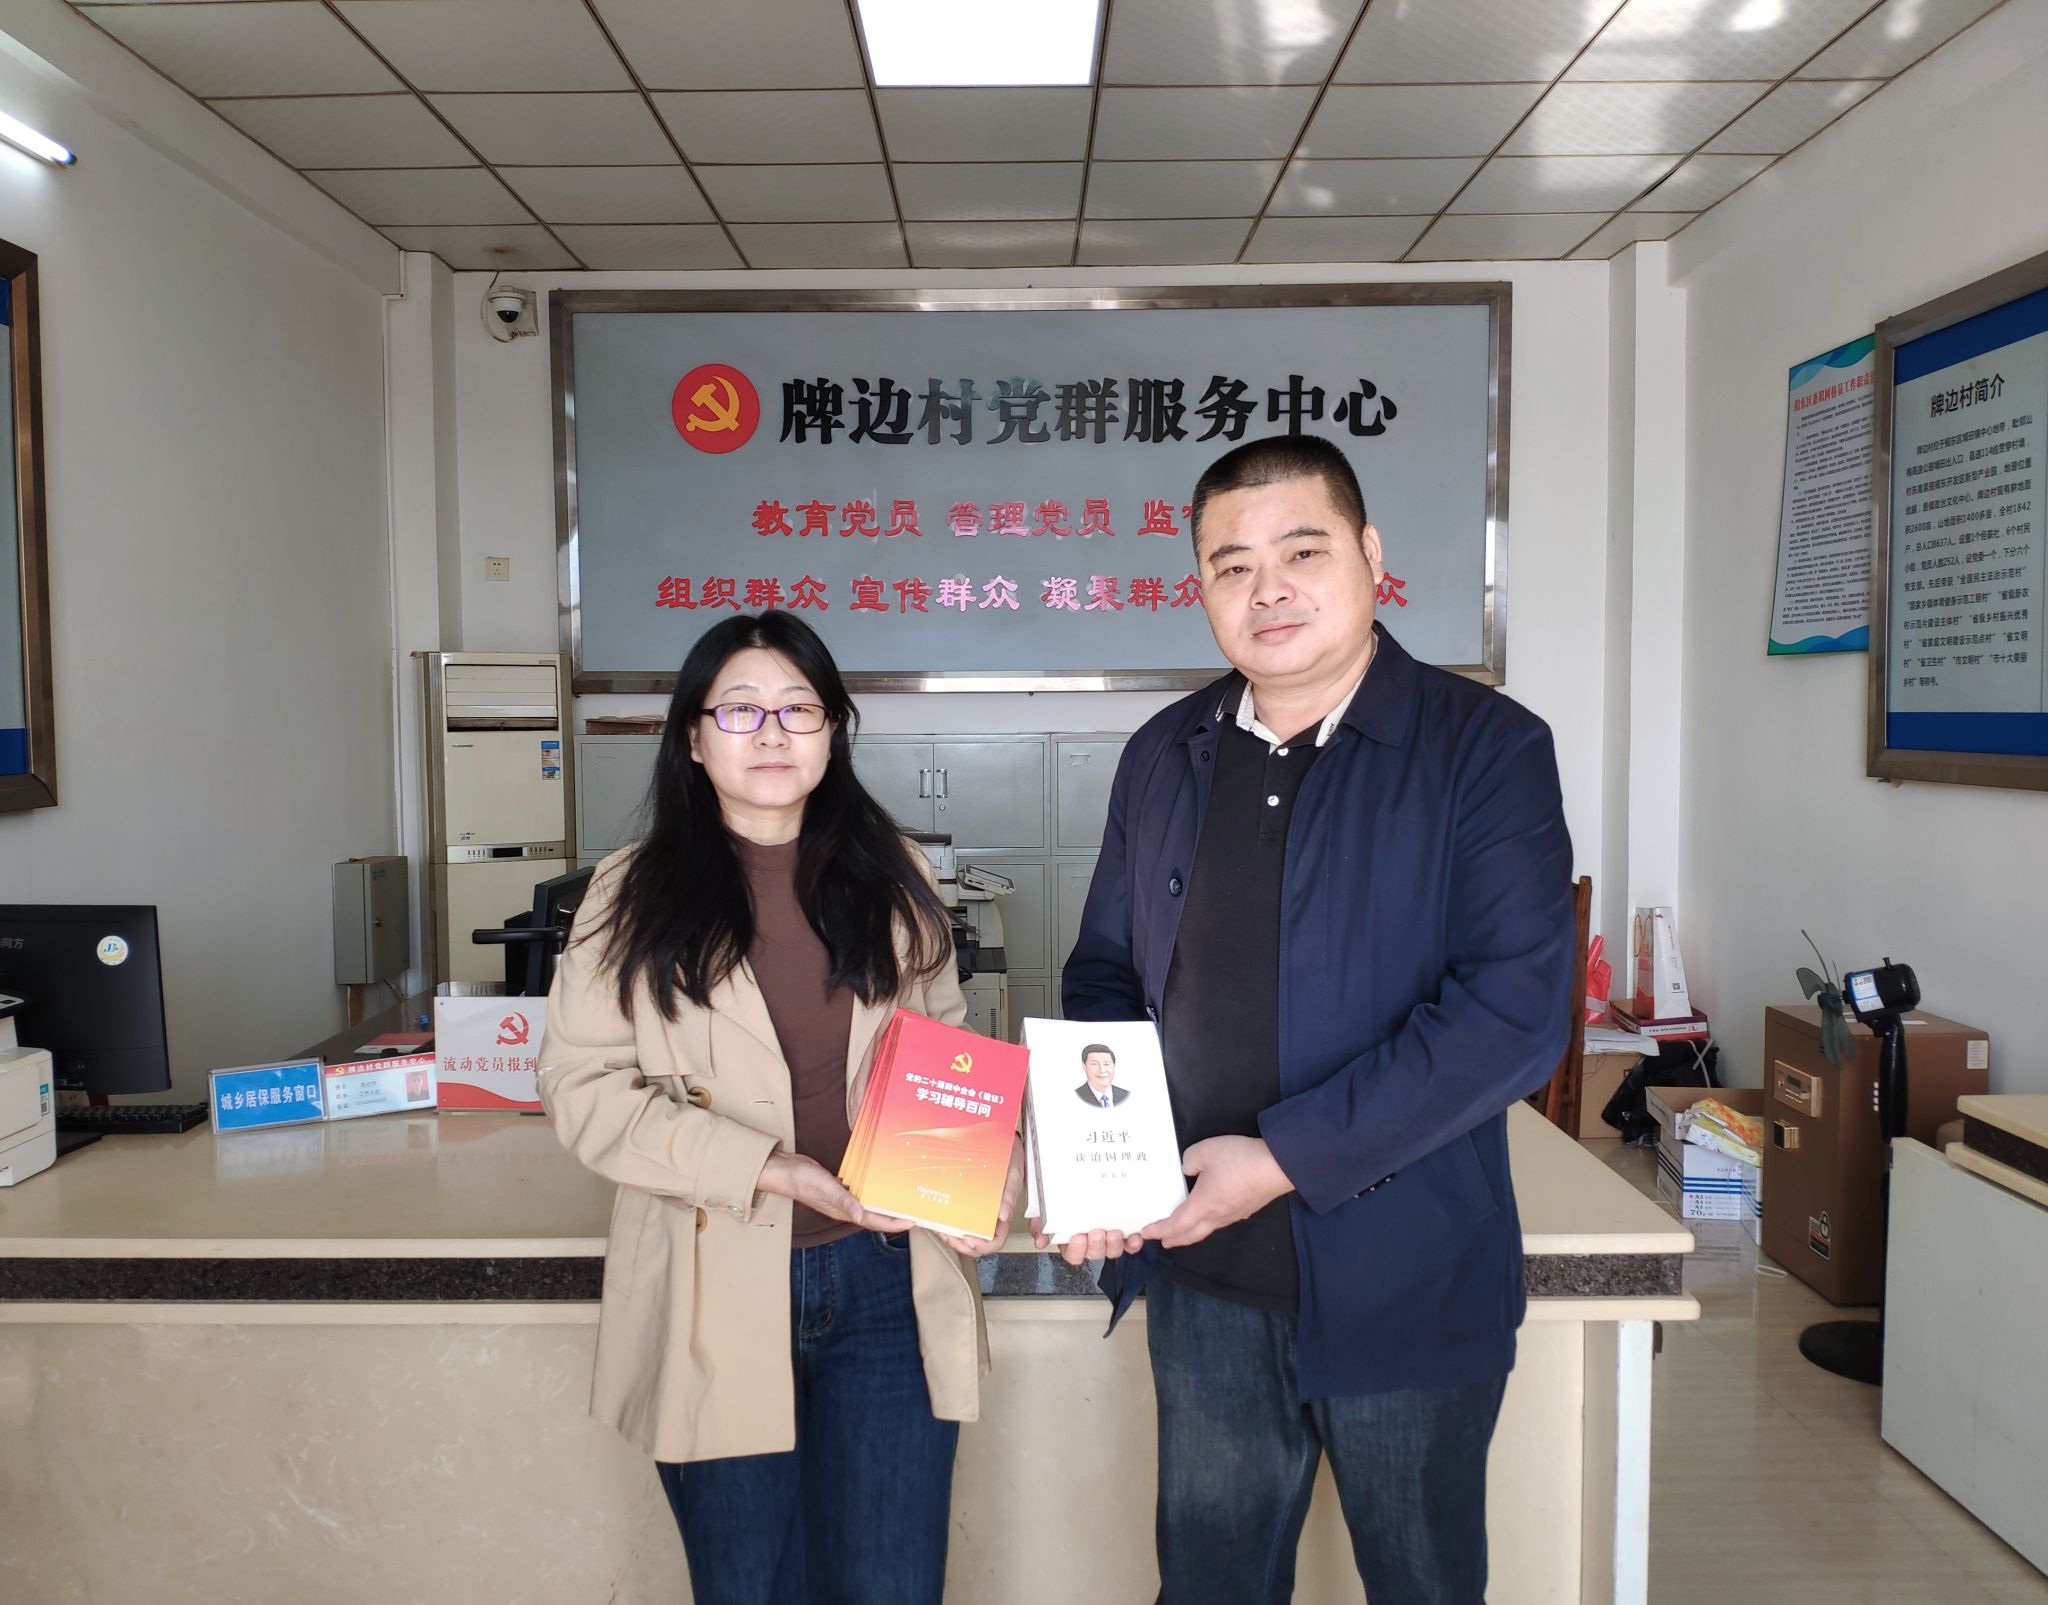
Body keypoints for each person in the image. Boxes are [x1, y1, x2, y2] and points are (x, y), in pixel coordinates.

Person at [1059, 434, 1575, 1605]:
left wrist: (1281, 1158)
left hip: (1407, 1272)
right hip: (1203, 1272)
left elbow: (1510, 1016)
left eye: (1301, 552)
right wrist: (1101, 1155)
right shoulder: (1162, 755)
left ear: (1370, 556)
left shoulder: (1483, 750)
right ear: (1199, 588)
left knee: (1419, 1580)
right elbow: (1103, 976)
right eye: (1230, 566)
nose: (1268, 589)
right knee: (1210, 1581)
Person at [538, 610, 1024, 1605]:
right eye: (740, 709)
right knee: (752, 1585)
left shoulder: (894, 875)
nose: (770, 732)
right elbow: (580, 1089)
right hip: (715, 1275)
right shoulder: (629, 895)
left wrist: (986, 1167)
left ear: (832, 731)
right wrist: (764, 1166)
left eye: (798, 709)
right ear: (693, 736)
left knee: (892, 1583)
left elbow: (945, 1049)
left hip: (886, 1277)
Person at [1074, 1042, 1129, 1109]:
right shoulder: (1076, 1097)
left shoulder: (1126, 1095)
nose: (1102, 1070)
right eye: (1094, 1064)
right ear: (1084, 1067)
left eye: (1106, 1064)